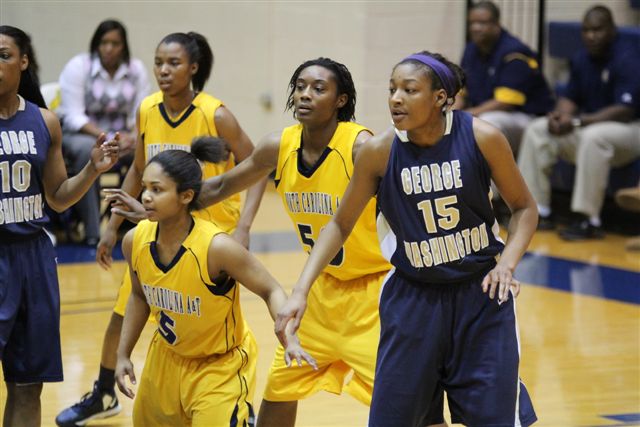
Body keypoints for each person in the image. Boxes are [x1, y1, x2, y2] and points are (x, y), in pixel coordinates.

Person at [107, 57, 449, 427]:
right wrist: (162, 206)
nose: (305, 94)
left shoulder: (359, 146)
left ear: (340, 100)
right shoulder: (279, 145)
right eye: (300, 86)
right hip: (321, 291)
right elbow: (220, 186)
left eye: (318, 88)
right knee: (279, 391)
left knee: (411, 407)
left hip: (374, 295)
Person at [274, 51, 538, 426]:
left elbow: (524, 207)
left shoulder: (482, 137)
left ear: (440, 97)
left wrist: (506, 266)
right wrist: (300, 290)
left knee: (494, 419)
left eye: (409, 90)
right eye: (392, 89)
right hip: (412, 298)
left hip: (479, 296)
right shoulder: (379, 151)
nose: (396, 99)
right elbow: (340, 224)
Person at [55, 31, 265, 427]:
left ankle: (232, 399)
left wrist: (244, 227)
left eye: (173, 63)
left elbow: (256, 167)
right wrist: (113, 226)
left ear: (193, 68)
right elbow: (137, 170)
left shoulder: (215, 114)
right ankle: (104, 393)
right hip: (158, 233)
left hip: (206, 239)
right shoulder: (148, 109)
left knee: (214, 327)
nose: (163, 71)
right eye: (158, 63)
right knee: (123, 311)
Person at [113, 142, 314, 426]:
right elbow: (138, 296)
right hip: (165, 360)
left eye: (157, 190)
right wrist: (123, 353)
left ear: (186, 196)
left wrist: (289, 335)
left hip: (218, 367)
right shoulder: (134, 241)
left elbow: (271, 289)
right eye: (145, 187)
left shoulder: (217, 247)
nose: (145, 196)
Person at [0, 26, 119, 427]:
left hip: (33, 261)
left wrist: (92, 169)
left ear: (23, 62)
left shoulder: (44, 122)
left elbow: (57, 196)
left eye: (3, 55)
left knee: (27, 385)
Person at [517, 5, 640, 239]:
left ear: (611, 30)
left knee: (594, 137)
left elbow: (625, 110)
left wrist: (577, 122)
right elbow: (570, 98)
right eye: (586, 30)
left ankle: (588, 219)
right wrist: (559, 116)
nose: (591, 36)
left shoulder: (628, 57)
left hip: (631, 130)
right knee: (538, 129)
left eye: (597, 30)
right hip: (591, 126)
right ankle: (537, 211)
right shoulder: (582, 58)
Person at [58, 19, 150, 245]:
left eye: (115, 43)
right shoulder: (79, 67)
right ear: (96, 44)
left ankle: (133, 223)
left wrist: (133, 136)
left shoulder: (136, 70)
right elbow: (73, 115)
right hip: (82, 135)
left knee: (148, 149)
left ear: (123, 46)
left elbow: (141, 111)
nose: (108, 48)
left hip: (122, 137)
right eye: (103, 43)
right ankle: (93, 231)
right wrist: (108, 138)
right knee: (86, 153)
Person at [458, 0, 554, 155]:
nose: (476, 28)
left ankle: (492, 171)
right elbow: (460, 91)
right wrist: (450, 113)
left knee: (487, 122)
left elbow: (506, 102)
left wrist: (466, 115)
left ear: (496, 24)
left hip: (527, 118)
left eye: (482, 23)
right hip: (483, 112)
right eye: (472, 23)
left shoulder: (514, 53)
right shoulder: (471, 50)